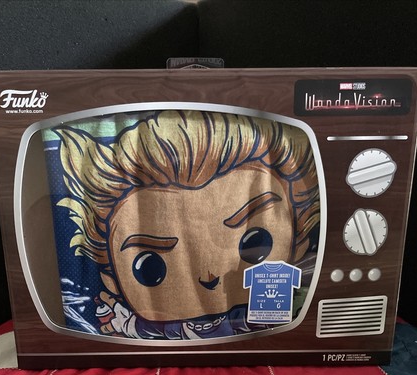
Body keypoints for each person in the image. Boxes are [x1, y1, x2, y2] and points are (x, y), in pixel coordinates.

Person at [52, 109, 320, 340]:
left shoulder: (271, 311)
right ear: (111, 280)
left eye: (256, 242)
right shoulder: (159, 325)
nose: (209, 276)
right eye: (150, 268)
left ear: (299, 243)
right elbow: (139, 328)